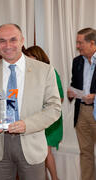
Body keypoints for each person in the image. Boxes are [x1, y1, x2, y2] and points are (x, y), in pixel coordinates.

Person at [0, 23, 61, 180]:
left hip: (31, 143)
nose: (7, 45)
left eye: (13, 40)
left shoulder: (44, 71)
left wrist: (27, 124)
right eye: (2, 41)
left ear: (22, 41)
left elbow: (54, 108)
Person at [25, 45, 63, 180]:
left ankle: (55, 178)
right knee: (38, 154)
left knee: (46, 152)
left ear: (38, 57)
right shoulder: (28, 73)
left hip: (49, 121)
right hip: (33, 119)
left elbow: (59, 98)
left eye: (30, 57)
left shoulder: (50, 71)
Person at [68, 27, 96, 180]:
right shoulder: (77, 61)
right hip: (82, 113)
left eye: (80, 43)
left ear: (92, 43)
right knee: (85, 152)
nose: (77, 46)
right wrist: (71, 93)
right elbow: (74, 83)